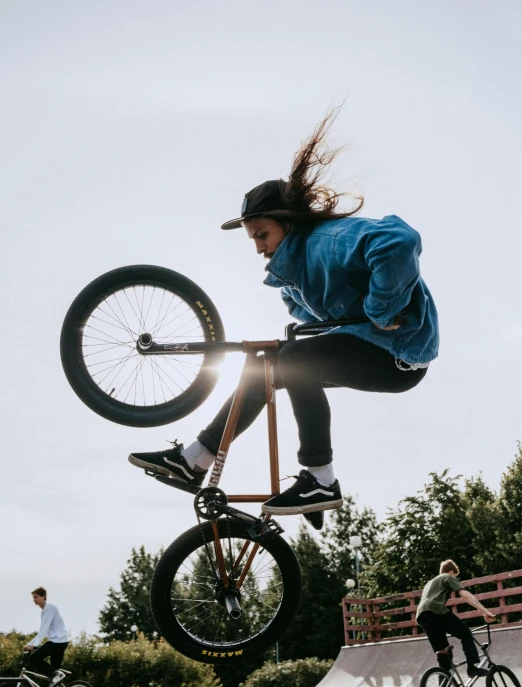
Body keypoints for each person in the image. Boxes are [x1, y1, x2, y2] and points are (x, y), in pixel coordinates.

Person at [129, 107, 439, 516]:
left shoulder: (328, 240)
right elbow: (321, 324)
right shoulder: (292, 276)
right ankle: (194, 460)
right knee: (266, 365)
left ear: (288, 224)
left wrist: (382, 308)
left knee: (293, 362)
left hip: (400, 354)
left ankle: (320, 479)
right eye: (252, 238)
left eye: (263, 234)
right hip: (369, 345)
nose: (257, 247)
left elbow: (398, 241)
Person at [416, 560, 496, 677]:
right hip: (435, 610)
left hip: (422, 617)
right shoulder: (448, 577)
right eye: (455, 575)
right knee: (465, 634)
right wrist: (485, 612)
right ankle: (472, 667)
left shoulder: (429, 583)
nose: (454, 578)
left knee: (443, 652)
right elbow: (465, 595)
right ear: (451, 571)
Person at [24, 587, 69, 687]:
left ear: (43, 597)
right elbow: (42, 632)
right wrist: (30, 644)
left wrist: (34, 646)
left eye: (36, 597)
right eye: (33, 598)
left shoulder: (49, 608)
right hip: (60, 641)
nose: (34, 600)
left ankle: (57, 674)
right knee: (55, 678)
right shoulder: (46, 609)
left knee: (34, 658)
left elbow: (43, 631)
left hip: (57, 642)